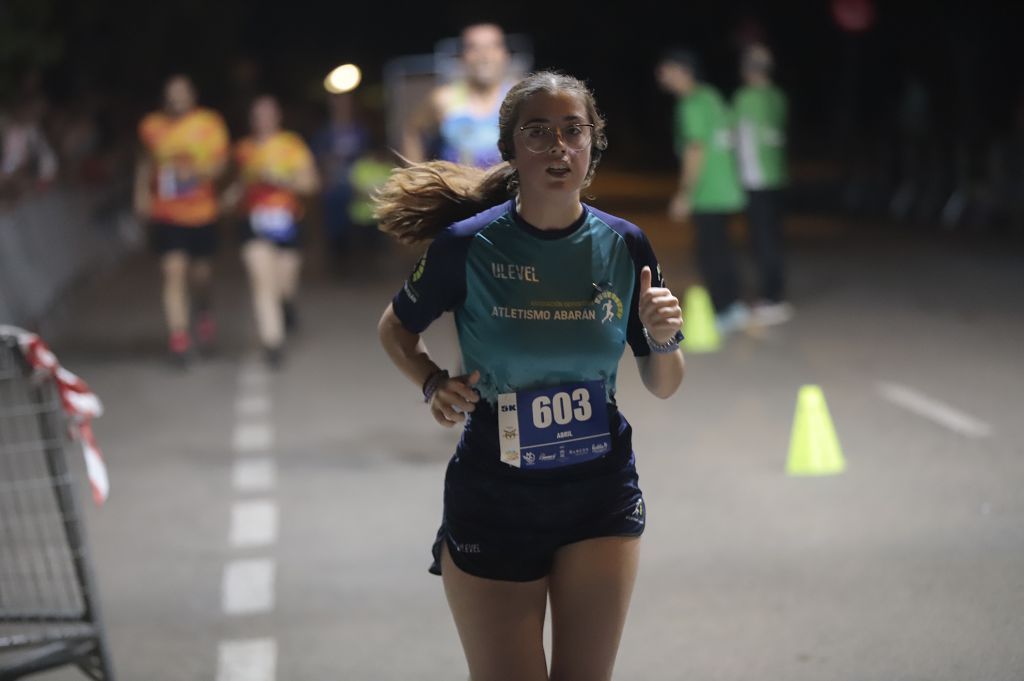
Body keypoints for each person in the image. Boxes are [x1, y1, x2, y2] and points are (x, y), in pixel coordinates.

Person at [376, 71, 685, 681]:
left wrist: (663, 333)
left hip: (600, 490)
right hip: (496, 493)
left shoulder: (625, 244)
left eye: (574, 131)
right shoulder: (467, 245)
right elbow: (395, 328)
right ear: (510, 149)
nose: (558, 147)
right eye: (538, 132)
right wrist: (434, 382)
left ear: (594, 145)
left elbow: (664, 381)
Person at [135, 75, 229, 364]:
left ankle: (203, 309)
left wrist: (199, 174)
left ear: (192, 95)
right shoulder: (151, 126)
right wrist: (140, 195)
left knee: (200, 275)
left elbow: (222, 164)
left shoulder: (209, 124)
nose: (176, 99)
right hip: (168, 212)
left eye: (181, 94)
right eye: (171, 94)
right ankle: (179, 338)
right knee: (173, 271)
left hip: (202, 212)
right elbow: (146, 161)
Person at [656, 49, 749, 334]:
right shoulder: (712, 96)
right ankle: (734, 306)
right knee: (721, 249)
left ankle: (724, 310)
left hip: (708, 190)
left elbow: (695, 148)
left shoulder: (692, 104)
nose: (661, 77)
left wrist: (685, 192)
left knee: (709, 253)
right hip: (727, 185)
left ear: (683, 71)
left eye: (666, 70)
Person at [224, 95, 319, 367]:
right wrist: (232, 195)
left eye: (268, 113)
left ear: (278, 116)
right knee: (261, 280)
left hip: (288, 223)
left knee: (284, 284)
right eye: (257, 114)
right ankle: (273, 343)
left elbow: (311, 184)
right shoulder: (243, 149)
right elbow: (235, 185)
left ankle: (287, 306)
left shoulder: (292, 145)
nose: (262, 119)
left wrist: (283, 179)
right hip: (253, 223)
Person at [733, 43, 793, 325]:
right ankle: (774, 295)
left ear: (749, 71)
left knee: (762, 240)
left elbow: (739, 139)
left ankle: (771, 299)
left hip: (755, 178)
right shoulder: (779, 97)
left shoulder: (746, 98)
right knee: (773, 238)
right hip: (776, 176)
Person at [402, 22, 513, 168]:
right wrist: (415, 179)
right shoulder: (444, 99)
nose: (484, 55)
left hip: (507, 189)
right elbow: (412, 131)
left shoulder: (518, 98)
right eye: (474, 48)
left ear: (505, 54)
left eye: (492, 46)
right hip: (457, 189)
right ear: (462, 57)